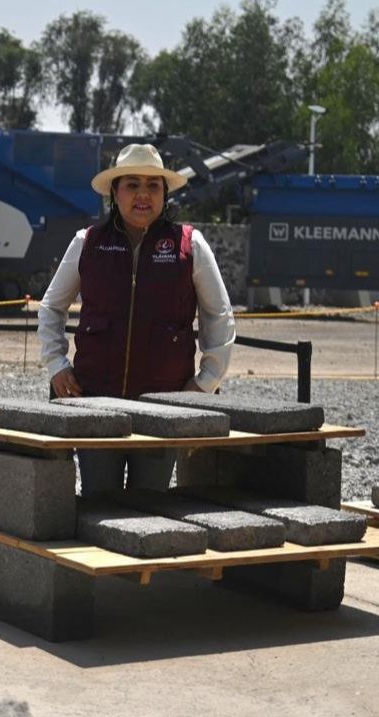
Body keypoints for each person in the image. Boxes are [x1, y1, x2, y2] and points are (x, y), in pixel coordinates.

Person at [38, 143, 235, 492]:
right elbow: (51, 307)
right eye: (132, 184)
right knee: (100, 504)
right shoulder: (87, 242)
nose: (143, 194)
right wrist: (56, 364)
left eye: (153, 185)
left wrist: (204, 385)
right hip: (95, 402)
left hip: (166, 408)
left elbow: (219, 317)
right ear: (115, 192)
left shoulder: (191, 246)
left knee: (151, 507)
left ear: (164, 194)